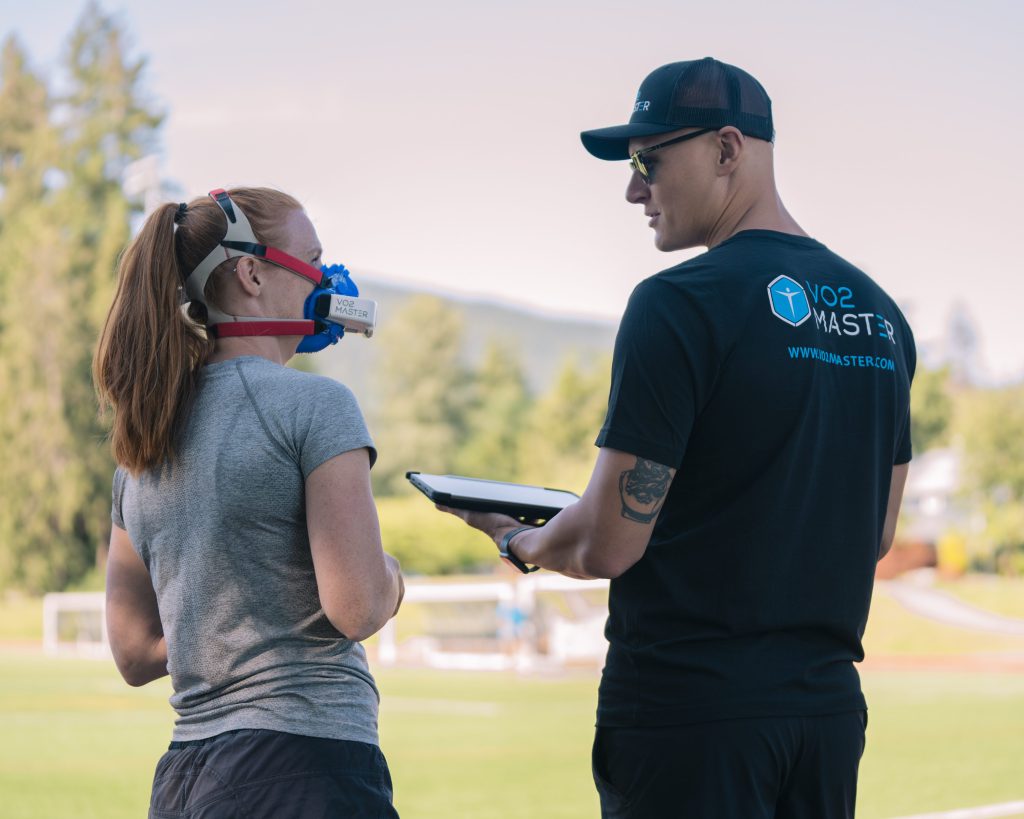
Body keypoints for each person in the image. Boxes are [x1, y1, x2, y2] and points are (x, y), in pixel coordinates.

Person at [440, 58, 914, 818]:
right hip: (825, 717)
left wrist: (518, 542)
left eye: (648, 161)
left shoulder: (678, 304)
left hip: (692, 716)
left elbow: (607, 543)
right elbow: (877, 532)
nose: (634, 188)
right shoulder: (880, 316)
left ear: (729, 150)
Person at [94, 186, 404, 818]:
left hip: (186, 777)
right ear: (253, 272)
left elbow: (132, 652)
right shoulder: (316, 406)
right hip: (304, 767)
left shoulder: (142, 438)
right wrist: (392, 578)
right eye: (313, 258)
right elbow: (358, 607)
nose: (325, 276)